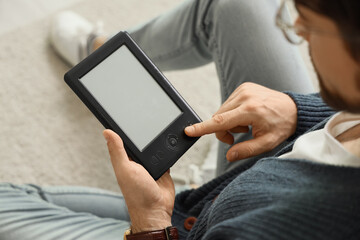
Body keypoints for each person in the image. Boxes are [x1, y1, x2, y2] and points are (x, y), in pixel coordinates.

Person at [1, 0, 359, 239]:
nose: (296, 29)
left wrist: (150, 221)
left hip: (187, 229)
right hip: (239, 184)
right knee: (235, 5)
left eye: (308, 26)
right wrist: (298, 109)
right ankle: (101, 54)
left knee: (8, 201)